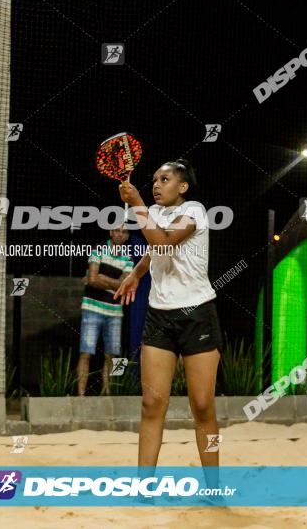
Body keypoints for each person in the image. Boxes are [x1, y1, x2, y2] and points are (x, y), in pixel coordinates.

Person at [114, 158, 223, 490]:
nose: (156, 185)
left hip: (196, 314)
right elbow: (155, 249)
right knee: (151, 403)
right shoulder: (156, 214)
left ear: (183, 186)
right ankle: (144, 488)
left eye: (165, 179)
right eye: (154, 180)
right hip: (159, 316)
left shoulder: (196, 210)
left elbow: (164, 241)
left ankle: (213, 486)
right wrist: (135, 274)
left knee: (202, 406)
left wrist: (137, 204)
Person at [77, 225, 133, 396]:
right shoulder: (98, 249)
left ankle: (107, 394)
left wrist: (102, 278)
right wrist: (113, 283)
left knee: (112, 356)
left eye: (123, 232)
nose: (119, 234)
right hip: (91, 308)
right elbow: (92, 279)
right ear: (110, 232)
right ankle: (80, 396)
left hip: (115, 312)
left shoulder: (128, 258)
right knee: (86, 353)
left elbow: (124, 286)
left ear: (127, 236)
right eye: (116, 230)